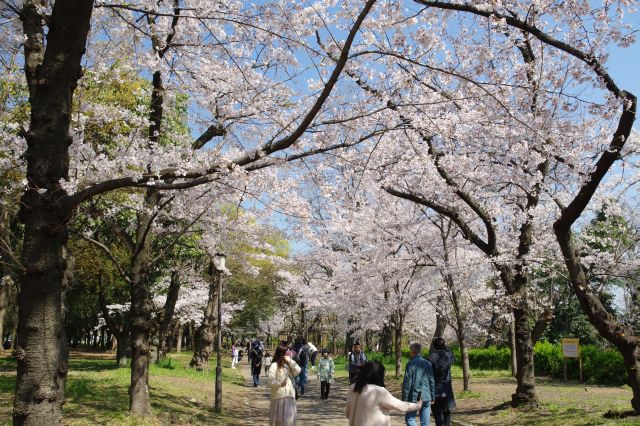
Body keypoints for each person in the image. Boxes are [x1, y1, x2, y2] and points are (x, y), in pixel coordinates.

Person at [345, 360, 422, 426]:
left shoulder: (353, 388)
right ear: (379, 375)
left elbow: (348, 412)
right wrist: (418, 405)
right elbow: (401, 406)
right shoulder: (379, 391)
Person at [402, 342, 435, 426]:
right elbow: (431, 380)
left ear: (412, 351)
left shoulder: (410, 363)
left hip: (414, 396)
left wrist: (404, 399)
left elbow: (407, 383)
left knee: (410, 418)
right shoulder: (428, 363)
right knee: (425, 422)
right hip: (427, 395)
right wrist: (432, 395)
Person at [268, 343, 301, 426]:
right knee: (279, 421)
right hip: (279, 397)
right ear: (282, 353)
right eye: (287, 352)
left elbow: (298, 370)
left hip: (289, 395)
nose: (289, 353)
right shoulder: (274, 365)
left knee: (289, 421)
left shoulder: (287, 364)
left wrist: (290, 360)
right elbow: (271, 381)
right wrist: (280, 384)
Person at [427, 337, 456, 426]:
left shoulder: (429, 358)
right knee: (447, 413)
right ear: (443, 345)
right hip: (447, 386)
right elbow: (451, 354)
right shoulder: (449, 356)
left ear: (434, 346)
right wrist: (445, 347)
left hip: (436, 387)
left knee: (437, 414)